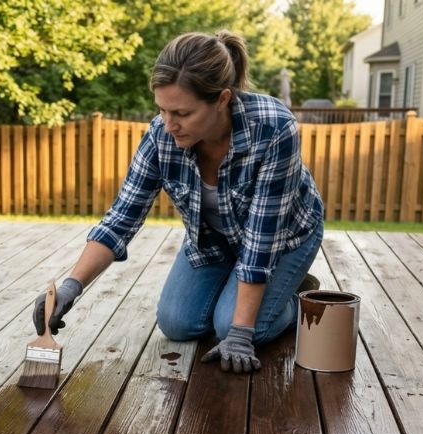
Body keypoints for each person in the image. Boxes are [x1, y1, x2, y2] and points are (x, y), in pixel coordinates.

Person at [32, 30, 324, 373]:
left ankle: (292, 300)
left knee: (236, 327)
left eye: (182, 113)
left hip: (285, 239)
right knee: (177, 324)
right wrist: (71, 286)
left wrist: (241, 332)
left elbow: (262, 243)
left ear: (221, 99)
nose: (168, 125)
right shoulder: (161, 135)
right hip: (214, 240)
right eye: (161, 110)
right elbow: (121, 218)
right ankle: (243, 294)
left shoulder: (274, 129)